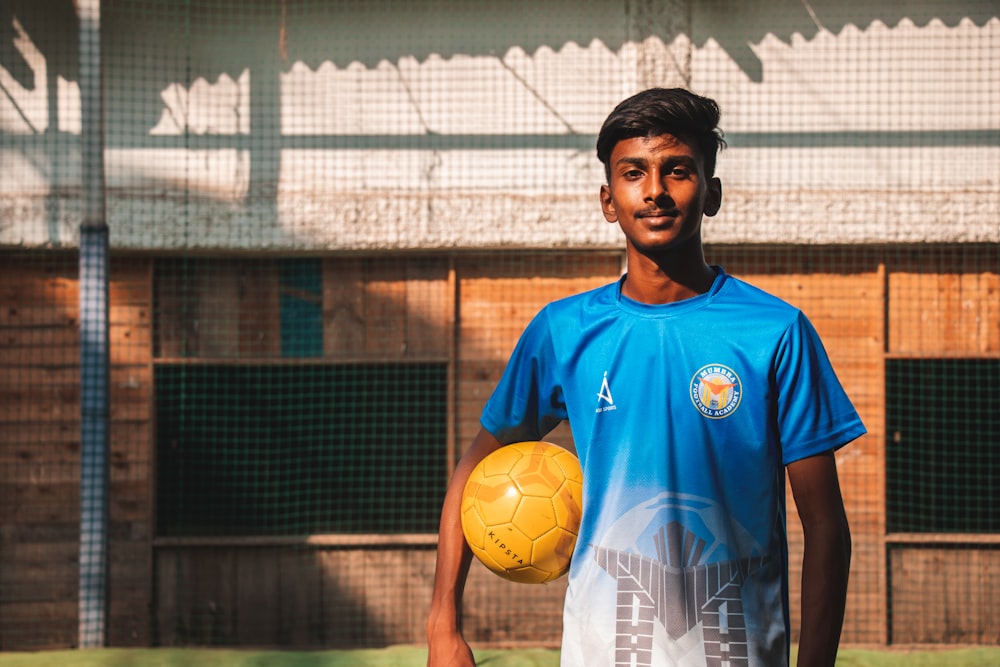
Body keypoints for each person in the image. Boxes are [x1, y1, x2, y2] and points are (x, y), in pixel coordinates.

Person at [426, 87, 865, 667]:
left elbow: (825, 524)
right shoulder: (564, 330)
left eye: (677, 170)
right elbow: (474, 465)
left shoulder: (776, 332)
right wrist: (442, 624)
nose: (655, 189)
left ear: (711, 193)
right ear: (609, 200)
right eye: (634, 173)